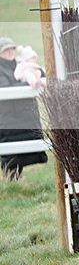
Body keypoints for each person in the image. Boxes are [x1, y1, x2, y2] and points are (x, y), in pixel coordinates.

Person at [0, 37, 47, 180]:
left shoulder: (21, 63)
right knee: (11, 151)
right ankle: (12, 181)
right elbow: (5, 88)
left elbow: (39, 71)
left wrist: (38, 74)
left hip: (24, 115)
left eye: (11, 49)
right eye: (5, 50)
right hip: (8, 117)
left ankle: (16, 181)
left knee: (21, 150)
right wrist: (31, 85)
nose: (9, 52)